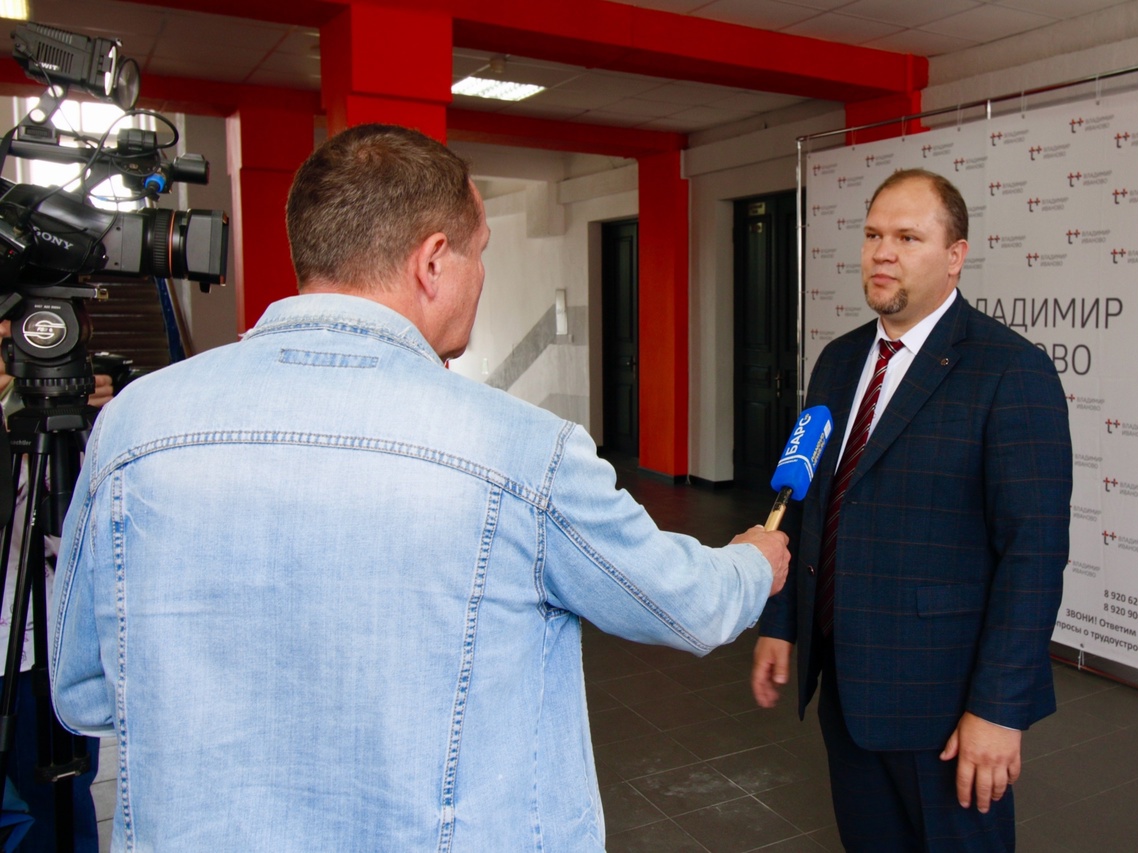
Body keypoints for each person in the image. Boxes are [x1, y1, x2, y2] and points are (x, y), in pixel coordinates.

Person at [47, 123, 790, 851]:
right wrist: (754, 560)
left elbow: (82, 690)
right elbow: (686, 605)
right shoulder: (524, 450)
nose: (481, 276)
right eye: (480, 253)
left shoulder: (131, 425)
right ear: (433, 261)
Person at [751, 168, 1071, 851]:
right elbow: (803, 497)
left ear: (955, 255)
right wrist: (782, 621)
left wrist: (998, 707)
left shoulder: (1010, 372)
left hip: (945, 707)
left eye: (906, 237)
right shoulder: (837, 362)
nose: (882, 253)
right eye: (872, 235)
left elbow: (1034, 556)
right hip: (847, 689)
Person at [0, 320, 113, 852]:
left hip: (41, 646)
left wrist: (89, 427)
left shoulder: (47, 410)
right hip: (14, 647)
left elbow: (73, 533)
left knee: (57, 810)